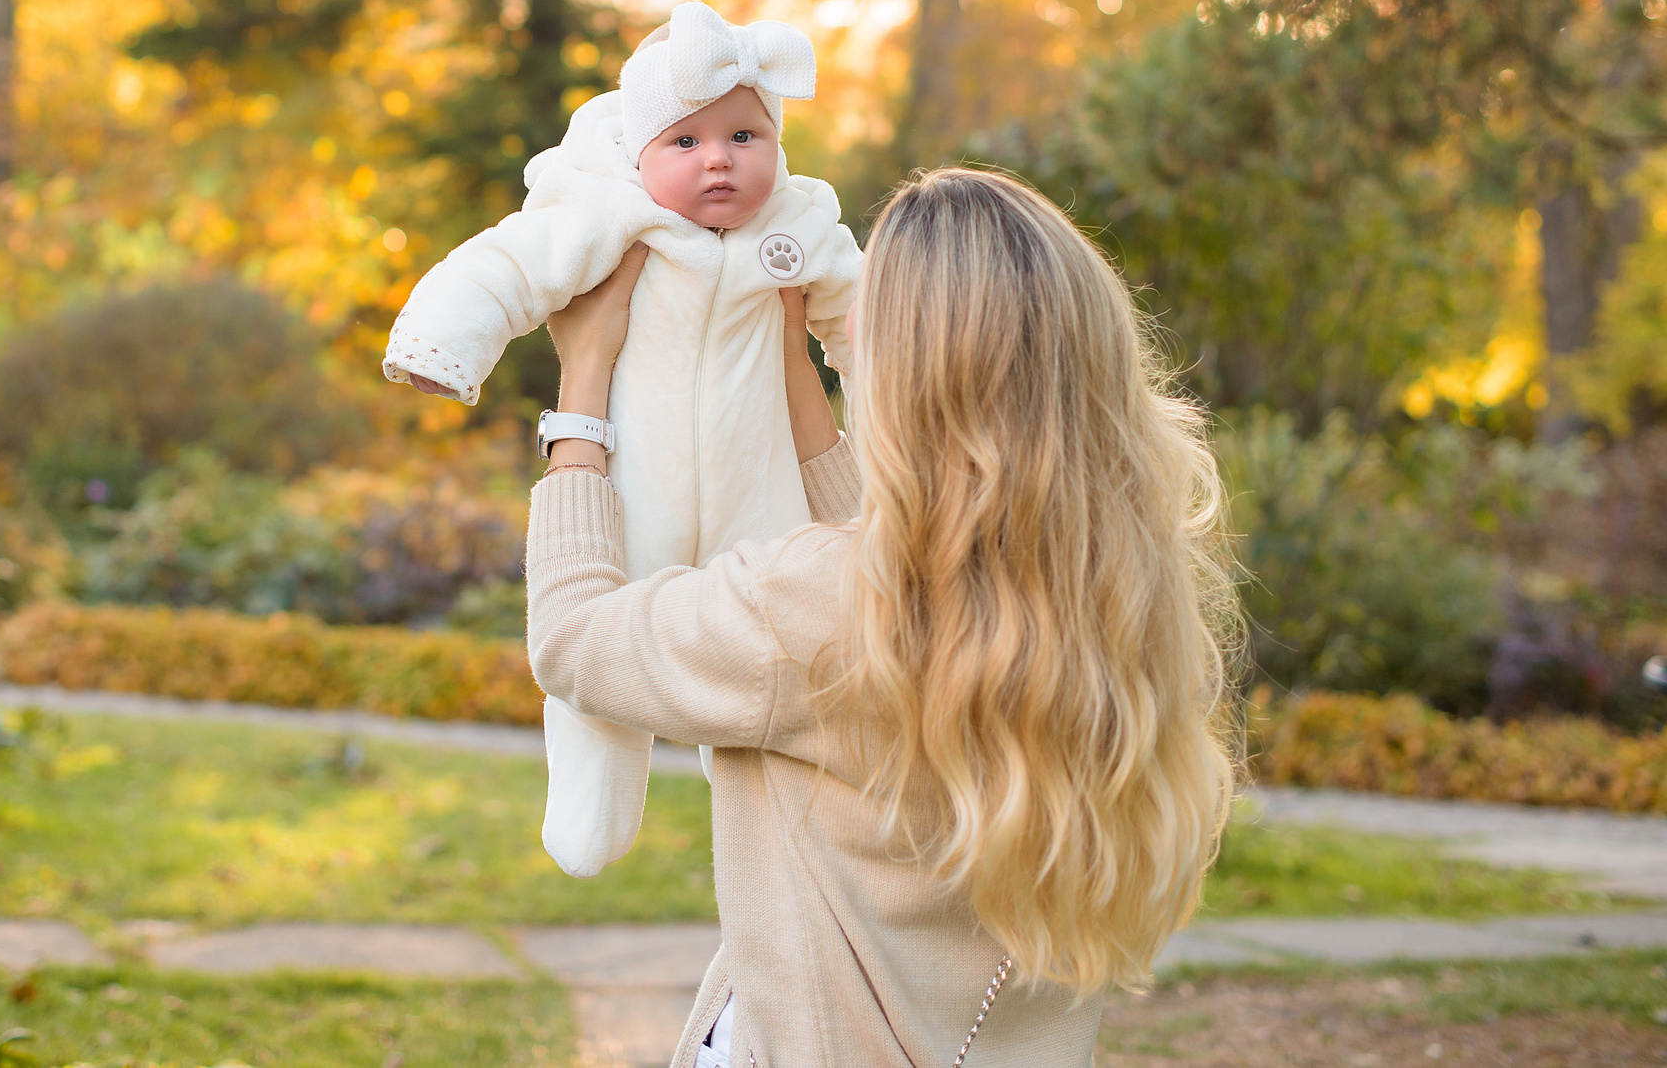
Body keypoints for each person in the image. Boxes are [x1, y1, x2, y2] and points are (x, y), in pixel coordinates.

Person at [527, 167, 1239, 1067]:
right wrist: (800, 391)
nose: (850, 312)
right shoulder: (1116, 599)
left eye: (874, 296)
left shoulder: (815, 608)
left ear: (908, 357)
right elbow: (907, 566)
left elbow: (576, 635)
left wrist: (581, 385)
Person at [383, 0, 862, 877]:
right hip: (634, 489)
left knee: (794, 646)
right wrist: (443, 347)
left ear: (779, 146)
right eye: (686, 141)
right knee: (603, 643)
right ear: (640, 152)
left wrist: (899, 400)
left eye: (745, 136)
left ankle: (793, 827)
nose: (719, 157)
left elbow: (869, 321)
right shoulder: (609, 214)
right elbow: (504, 267)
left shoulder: (800, 226)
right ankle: (593, 803)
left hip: (764, 499)